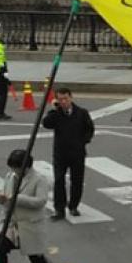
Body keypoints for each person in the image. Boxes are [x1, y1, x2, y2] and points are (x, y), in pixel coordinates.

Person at [0, 150, 51, 263]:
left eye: (16, 167)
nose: (14, 170)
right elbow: (6, 196)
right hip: (11, 223)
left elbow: (40, 201)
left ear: (26, 167)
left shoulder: (39, 179)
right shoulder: (10, 176)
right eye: (12, 167)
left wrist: (17, 198)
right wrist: (1, 199)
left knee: (36, 257)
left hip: (29, 224)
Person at [39, 89, 93, 221]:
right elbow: (46, 124)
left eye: (66, 99)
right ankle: (59, 209)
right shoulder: (56, 114)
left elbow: (89, 129)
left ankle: (73, 205)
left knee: (77, 181)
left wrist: (82, 142)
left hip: (77, 153)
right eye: (60, 99)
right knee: (58, 181)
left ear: (71, 98)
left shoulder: (82, 113)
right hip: (60, 153)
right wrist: (54, 110)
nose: (63, 102)